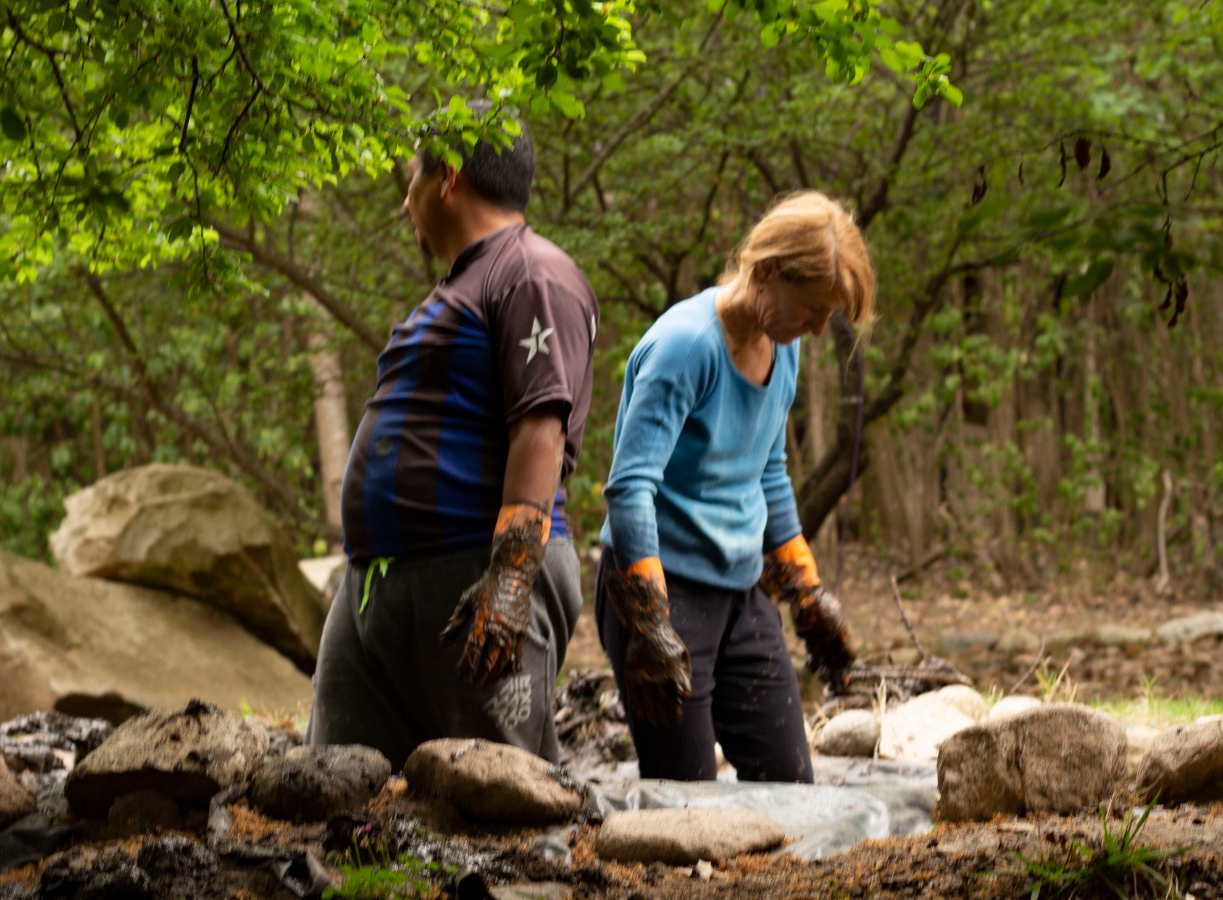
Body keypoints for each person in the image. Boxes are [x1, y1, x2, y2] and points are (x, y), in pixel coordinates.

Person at [309, 109, 599, 768]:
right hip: (378, 583)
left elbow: (541, 428)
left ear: (448, 176)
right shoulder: (462, 284)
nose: (404, 201)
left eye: (413, 178)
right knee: (333, 790)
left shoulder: (531, 271)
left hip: (476, 572)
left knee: (494, 791)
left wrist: (510, 579)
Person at [596, 191, 875, 783]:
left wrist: (806, 591)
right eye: (813, 308)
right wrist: (650, 624)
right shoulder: (686, 346)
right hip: (661, 591)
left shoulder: (782, 348)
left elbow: (768, 470)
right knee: (686, 799)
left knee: (790, 783)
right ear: (767, 271)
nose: (818, 329)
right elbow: (629, 488)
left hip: (741, 592)